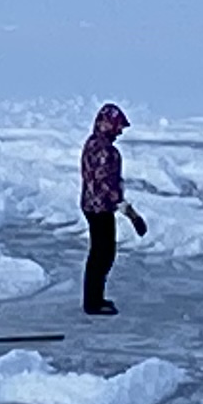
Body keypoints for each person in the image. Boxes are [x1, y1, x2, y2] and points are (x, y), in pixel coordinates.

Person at [79, 104, 149, 315]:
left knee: (99, 253)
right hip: (100, 209)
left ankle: (94, 299)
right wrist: (131, 213)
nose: (119, 132)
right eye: (118, 127)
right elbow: (107, 184)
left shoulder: (92, 143)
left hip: (90, 205)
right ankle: (93, 303)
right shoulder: (106, 151)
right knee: (103, 254)